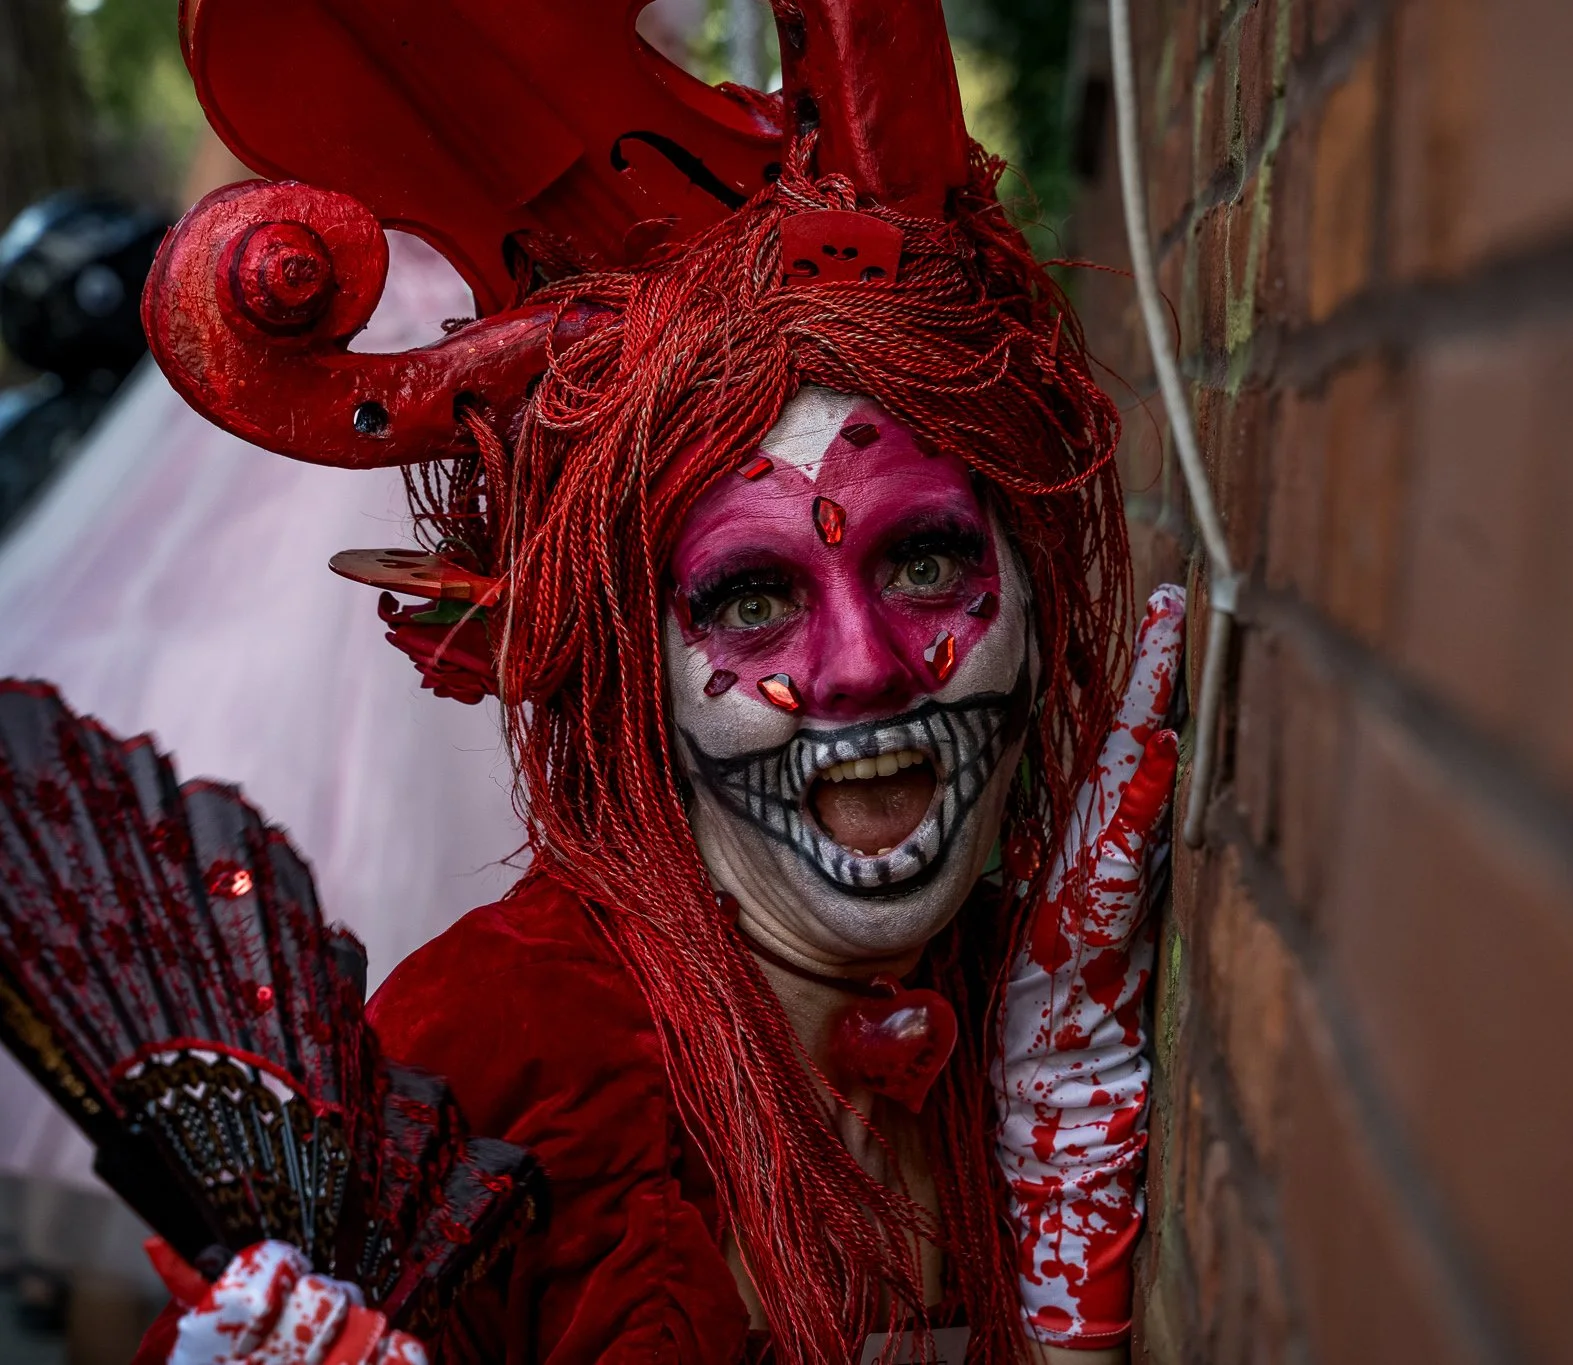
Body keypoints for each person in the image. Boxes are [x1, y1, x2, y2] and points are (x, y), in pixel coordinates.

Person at [138, 2, 1182, 1360]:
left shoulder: (1020, 1007)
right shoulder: (500, 1051)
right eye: (750, 599)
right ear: (637, 670)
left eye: (927, 564)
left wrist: (1059, 1251)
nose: (862, 670)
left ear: (1034, 598)